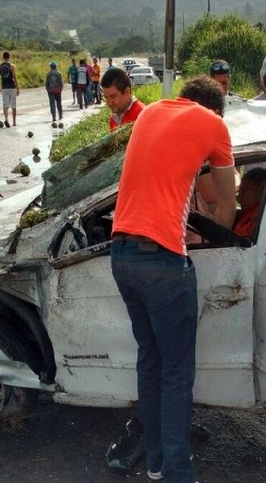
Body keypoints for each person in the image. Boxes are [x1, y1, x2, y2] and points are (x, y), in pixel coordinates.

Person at [110, 75, 234, 483]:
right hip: (163, 261)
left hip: (121, 253)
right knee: (178, 372)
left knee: (151, 360)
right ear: (215, 108)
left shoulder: (150, 114)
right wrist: (226, 233)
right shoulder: (214, 124)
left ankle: (157, 462)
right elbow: (226, 198)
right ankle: (180, 474)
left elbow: (171, 172)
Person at [232, 167, 266, 240]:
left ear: (262, 187)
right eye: (239, 193)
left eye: (244, 192)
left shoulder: (261, 216)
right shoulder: (247, 213)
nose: (239, 199)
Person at [0, 51, 19, 126]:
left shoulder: (0, 66)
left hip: (4, 88)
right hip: (12, 87)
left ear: (3, 57)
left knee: (5, 105)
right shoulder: (12, 66)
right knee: (13, 106)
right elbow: (15, 78)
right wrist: (18, 88)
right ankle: (14, 122)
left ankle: (6, 119)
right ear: (9, 57)